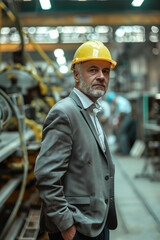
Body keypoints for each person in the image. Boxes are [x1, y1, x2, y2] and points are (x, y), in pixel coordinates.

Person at [34, 40, 118, 240]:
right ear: (76, 75)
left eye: (105, 71)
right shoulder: (64, 113)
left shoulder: (92, 113)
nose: (101, 76)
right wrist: (66, 226)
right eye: (93, 70)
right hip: (77, 228)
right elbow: (47, 176)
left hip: (98, 221)